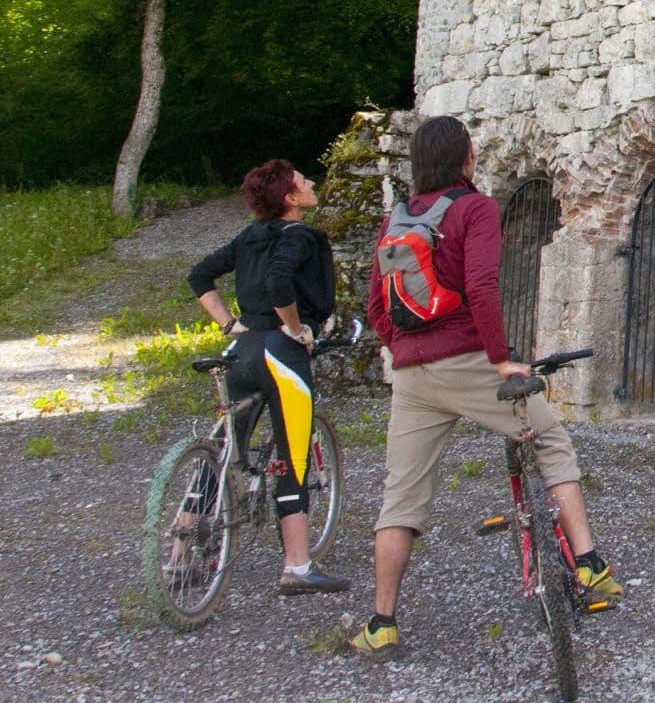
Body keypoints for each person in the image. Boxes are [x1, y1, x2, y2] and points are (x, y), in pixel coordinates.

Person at [351, 115, 621, 661]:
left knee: (400, 500)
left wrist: (405, 350)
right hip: (468, 361)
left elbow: (377, 309)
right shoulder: (476, 209)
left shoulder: (396, 220)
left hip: (411, 376)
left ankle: (381, 622)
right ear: (466, 158)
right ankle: (590, 568)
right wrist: (500, 362)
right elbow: (480, 287)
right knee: (550, 439)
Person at [185, 159, 350, 596]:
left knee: (224, 446)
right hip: (280, 355)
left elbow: (199, 275)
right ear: (291, 198)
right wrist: (296, 329)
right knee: (293, 458)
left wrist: (228, 324)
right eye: (302, 180)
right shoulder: (302, 237)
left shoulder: (248, 236)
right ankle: (296, 567)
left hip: (240, 350)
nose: (311, 182)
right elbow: (280, 284)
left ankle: (180, 552)